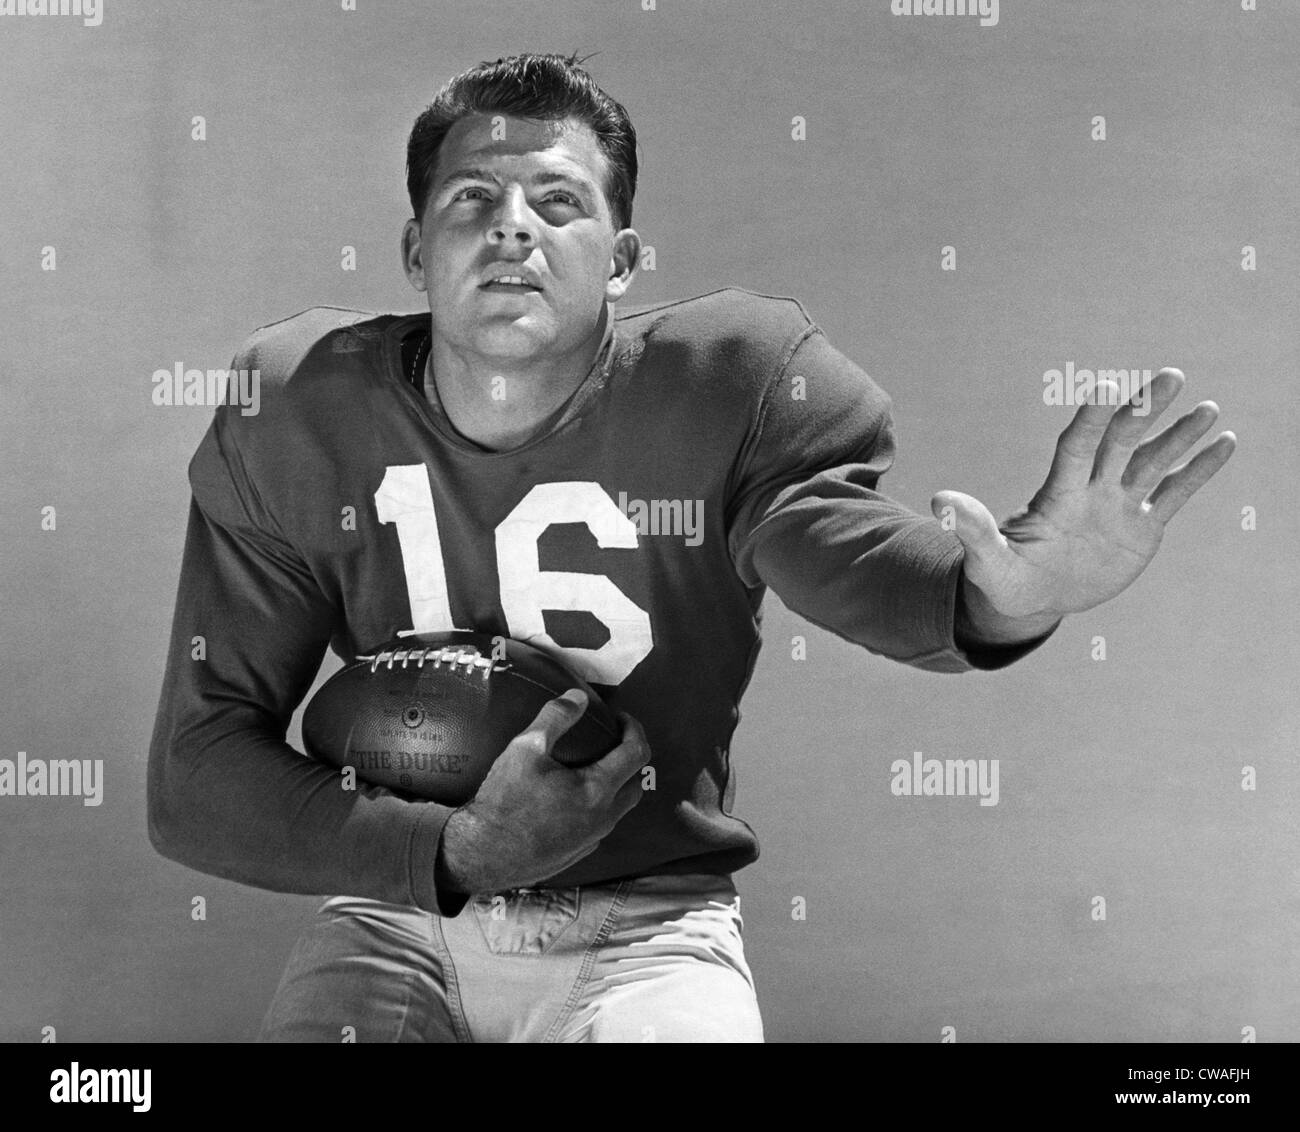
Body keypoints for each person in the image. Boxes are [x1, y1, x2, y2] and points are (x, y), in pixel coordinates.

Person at [147, 52, 1235, 1043]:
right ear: (414, 249)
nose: (511, 226)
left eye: (557, 202)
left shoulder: (728, 380)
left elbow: (841, 555)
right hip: (398, 913)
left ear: (621, 260)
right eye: (471, 199)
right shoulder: (294, 406)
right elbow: (194, 776)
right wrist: (449, 853)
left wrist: (1004, 598)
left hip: (650, 926)